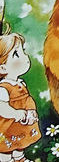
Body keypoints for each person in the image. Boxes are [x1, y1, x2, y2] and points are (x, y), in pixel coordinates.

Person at [0, 33, 40, 162]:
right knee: (6, 148)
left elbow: (26, 100)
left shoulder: (20, 83)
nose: (25, 57)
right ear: (3, 68)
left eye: (23, 51)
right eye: (16, 54)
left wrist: (30, 111)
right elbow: (1, 107)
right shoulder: (4, 88)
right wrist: (15, 113)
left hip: (20, 125)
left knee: (20, 144)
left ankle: (20, 158)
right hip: (8, 126)